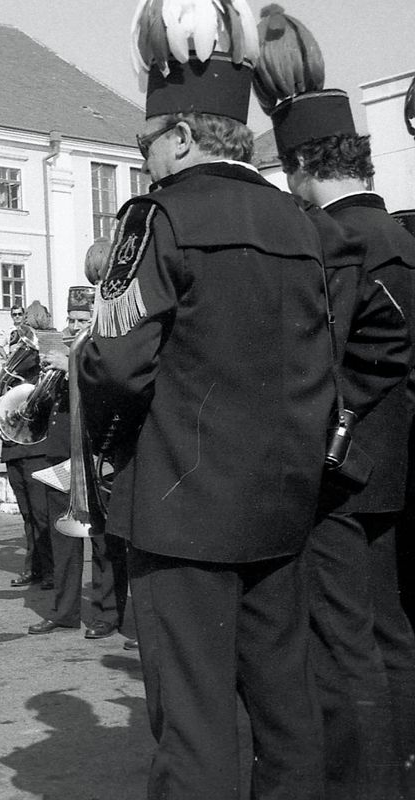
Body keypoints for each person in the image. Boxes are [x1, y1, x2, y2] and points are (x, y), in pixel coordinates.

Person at [77, 12, 365, 797]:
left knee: (195, 731)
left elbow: (115, 367)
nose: (143, 158)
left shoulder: (158, 217)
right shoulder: (304, 224)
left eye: (145, 143)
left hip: (182, 513)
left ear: (178, 138)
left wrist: (108, 444)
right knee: (288, 719)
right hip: (282, 508)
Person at [254, 9, 415, 796]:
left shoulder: (335, 242)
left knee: (346, 644)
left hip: (345, 473)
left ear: (300, 166)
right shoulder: (401, 236)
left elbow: (345, 358)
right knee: (388, 633)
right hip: (394, 463)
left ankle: (368, 781)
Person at [25, 286, 126, 641]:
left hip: (95, 454)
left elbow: (110, 391)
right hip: (59, 452)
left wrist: (71, 368)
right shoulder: (61, 351)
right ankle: (64, 610)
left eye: (82, 320)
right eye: (70, 319)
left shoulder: (105, 353)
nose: (73, 326)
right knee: (62, 538)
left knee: (102, 540)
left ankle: (107, 613)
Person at [0, 301, 56, 590]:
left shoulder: (43, 361)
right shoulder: (18, 361)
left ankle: (51, 570)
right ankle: (34, 568)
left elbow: (37, 401)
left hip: (35, 445)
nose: (20, 325)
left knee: (41, 514)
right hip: (14, 445)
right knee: (28, 515)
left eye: (25, 320)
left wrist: (1, 399)